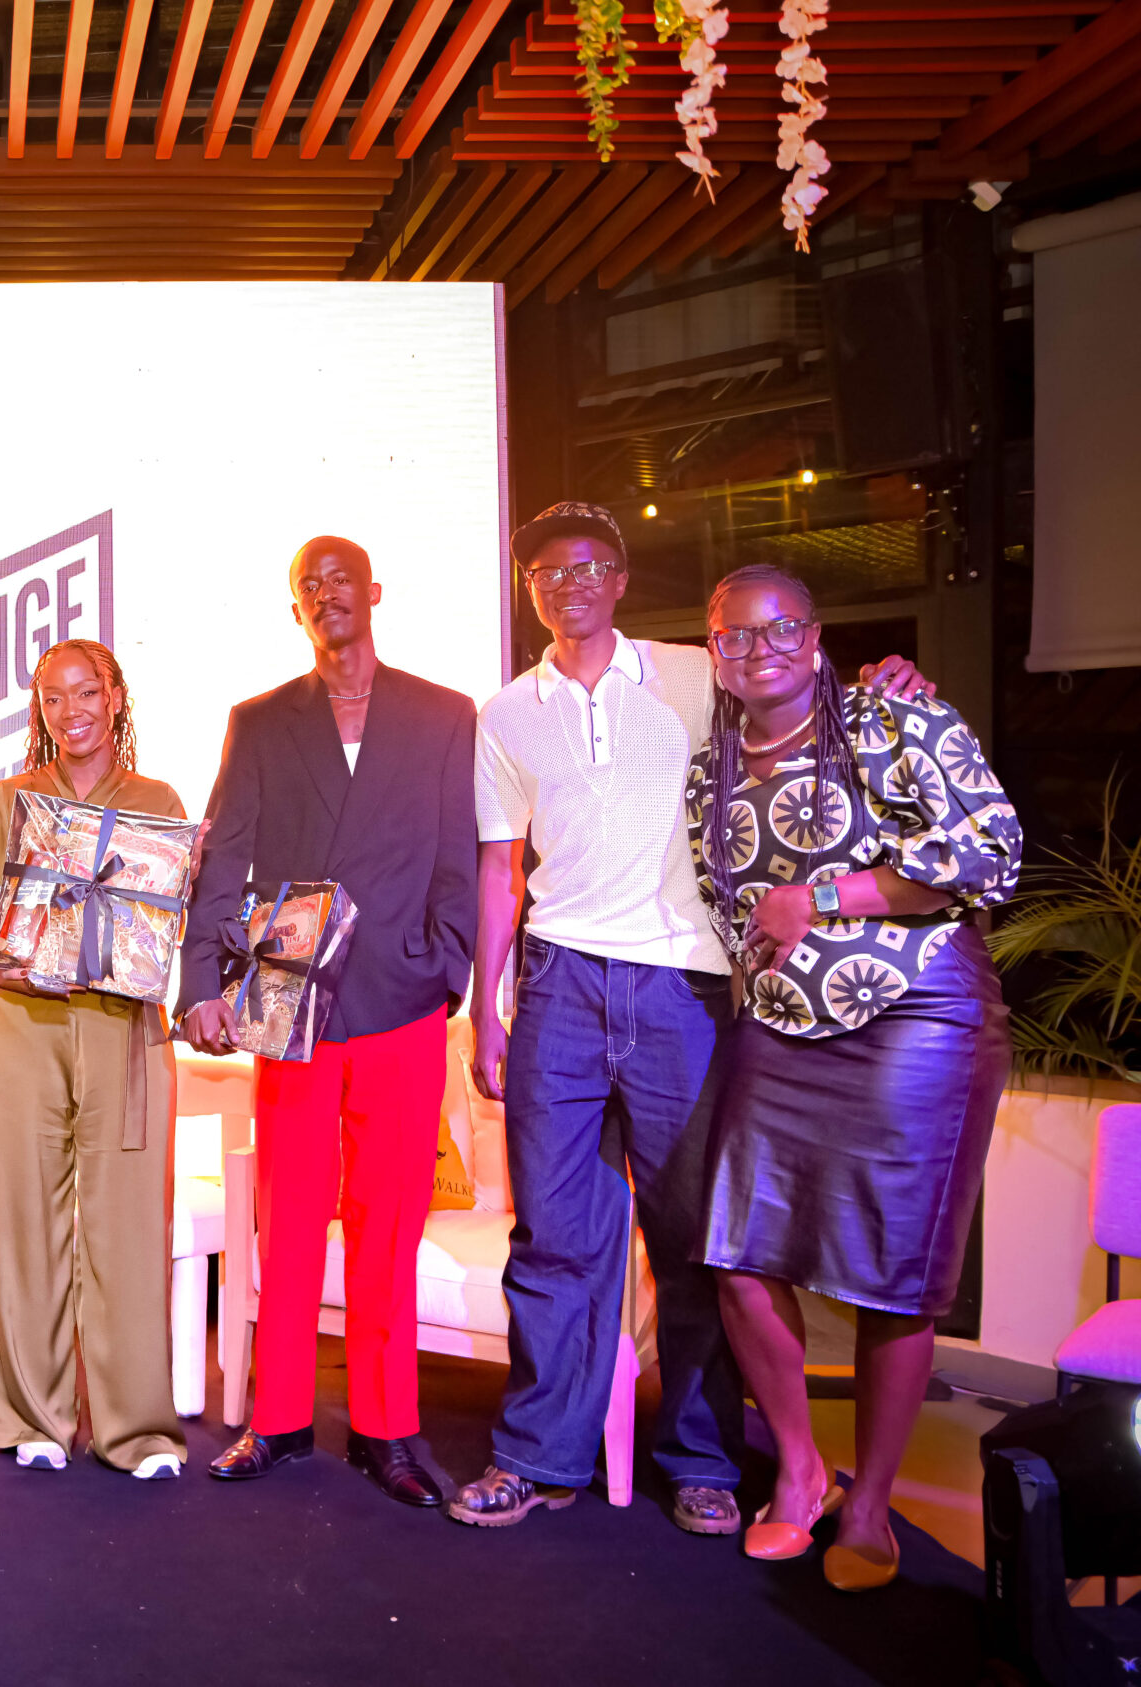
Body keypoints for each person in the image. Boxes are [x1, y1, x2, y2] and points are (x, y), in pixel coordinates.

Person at [455, 502, 930, 1535]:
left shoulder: (691, 671)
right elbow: (499, 869)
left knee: (695, 1240)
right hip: (558, 981)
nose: (570, 582)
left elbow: (797, 694)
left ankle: (702, 1460)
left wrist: (888, 678)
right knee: (554, 1236)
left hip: (685, 985)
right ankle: (536, 1456)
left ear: (621, 578)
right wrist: (485, 1009)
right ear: (531, 589)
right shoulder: (506, 713)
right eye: (548, 570)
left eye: (589, 564)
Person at [685, 564, 1018, 1589]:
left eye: (780, 627)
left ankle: (870, 1504)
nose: (760, 649)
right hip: (783, 1027)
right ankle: (799, 1471)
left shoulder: (890, 717)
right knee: (737, 1254)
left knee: (894, 1275)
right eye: (736, 635)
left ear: (817, 633)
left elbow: (990, 852)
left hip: (919, 1016)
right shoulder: (709, 770)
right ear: (713, 651)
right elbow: (728, 908)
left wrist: (821, 896)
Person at [178, 535, 475, 1509]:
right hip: (290, 1000)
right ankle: (278, 1419)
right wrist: (204, 981)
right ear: (296, 608)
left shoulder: (443, 713)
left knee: (388, 1223)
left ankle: (388, 1429)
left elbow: (459, 857)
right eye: (309, 583)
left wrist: (445, 966)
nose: (325, 592)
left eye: (340, 576)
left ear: (373, 591)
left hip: (401, 999)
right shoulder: (261, 720)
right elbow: (223, 857)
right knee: (291, 1214)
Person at [0, 639, 189, 1479]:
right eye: (53, 697)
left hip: (124, 1027)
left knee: (128, 1225)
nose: (71, 712)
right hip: (19, 1023)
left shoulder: (158, 802)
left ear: (116, 697)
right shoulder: (8, 800)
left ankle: (137, 1430)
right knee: (21, 1222)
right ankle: (34, 1417)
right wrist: (24, 964)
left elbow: (162, 926)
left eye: (86, 692)